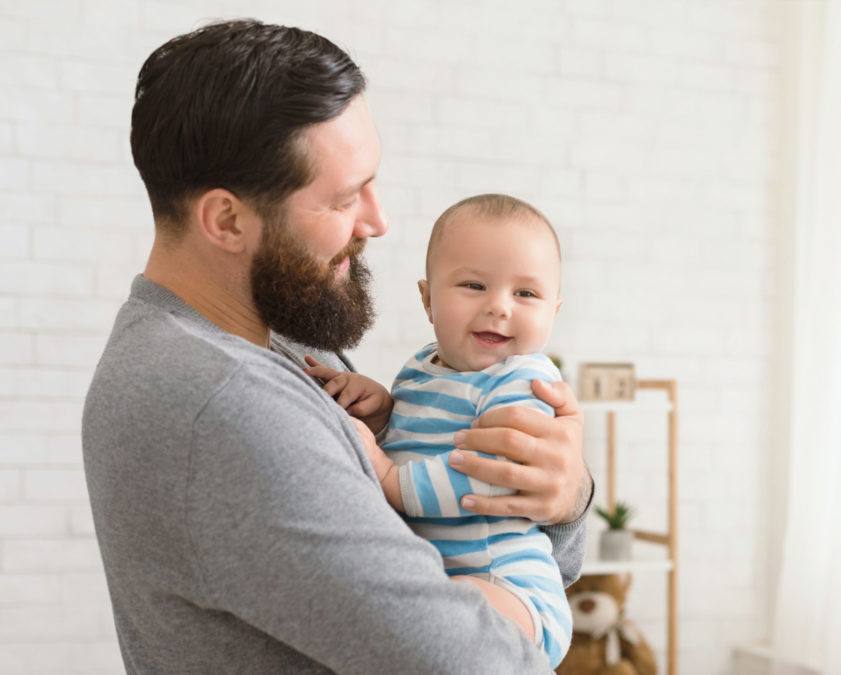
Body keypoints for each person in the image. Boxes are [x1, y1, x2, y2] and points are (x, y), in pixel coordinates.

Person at [81, 19, 592, 674]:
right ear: (227, 219)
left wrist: (564, 493)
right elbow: (475, 660)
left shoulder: (280, 339)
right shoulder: (222, 399)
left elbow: (540, 564)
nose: (378, 221)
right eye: (346, 197)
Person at [304, 193, 573, 667]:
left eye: (525, 294)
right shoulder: (419, 368)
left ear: (554, 311)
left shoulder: (524, 380)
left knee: (450, 616)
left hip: (508, 586)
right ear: (427, 300)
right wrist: (384, 411)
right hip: (443, 576)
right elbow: (416, 441)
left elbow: (491, 474)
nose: (499, 307)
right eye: (473, 285)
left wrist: (390, 480)